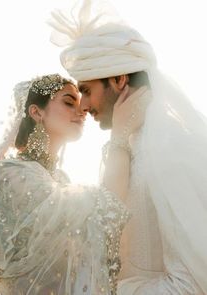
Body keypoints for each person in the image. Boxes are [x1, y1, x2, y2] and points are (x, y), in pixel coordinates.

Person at [50, 0, 207, 294]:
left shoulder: (168, 150)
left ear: (119, 79)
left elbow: (194, 284)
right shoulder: (126, 148)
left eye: (86, 90)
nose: (83, 106)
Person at [0, 73, 135, 294]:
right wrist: (121, 138)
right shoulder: (10, 173)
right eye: (69, 102)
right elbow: (106, 208)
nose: (83, 111)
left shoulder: (61, 180)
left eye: (81, 103)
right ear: (36, 112)